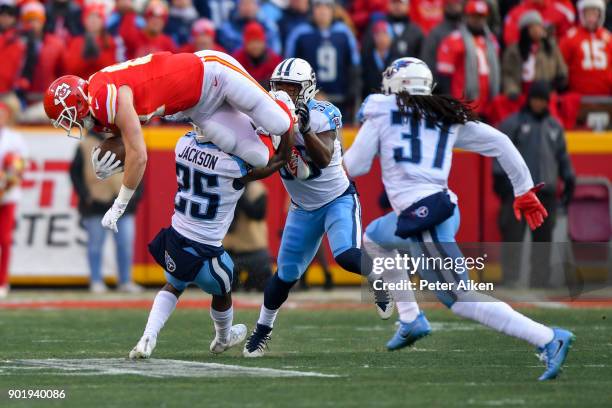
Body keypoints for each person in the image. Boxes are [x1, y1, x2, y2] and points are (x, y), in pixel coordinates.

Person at [344, 57, 574, 381]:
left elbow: (355, 166)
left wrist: (326, 169)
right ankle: (411, 319)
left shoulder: (382, 110)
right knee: (373, 240)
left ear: (395, 86)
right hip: (437, 209)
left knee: (461, 299)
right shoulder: (443, 116)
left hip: (425, 218)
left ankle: (549, 338)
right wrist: (522, 189)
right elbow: (500, 143)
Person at [43, 49, 294, 234]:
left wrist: (119, 204)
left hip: (212, 72)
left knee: (281, 123)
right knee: (259, 157)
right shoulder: (98, 113)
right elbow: (128, 144)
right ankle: (257, 121)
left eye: (67, 118)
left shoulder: (105, 96)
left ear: (77, 103)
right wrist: (113, 159)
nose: (68, 125)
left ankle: (281, 100)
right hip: (198, 107)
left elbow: (139, 155)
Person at [243, 59, 384, 357]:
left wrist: (302, 129)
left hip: (337, 199)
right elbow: (271, 160)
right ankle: (262, 331)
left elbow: (321, 159)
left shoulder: (323, 113)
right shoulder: (265, 114)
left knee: (345, 255)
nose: (283, 93)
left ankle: (379, 278)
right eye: (279, 87)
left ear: (306, 89)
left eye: (290, 88)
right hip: (302, 208)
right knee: (284, 277)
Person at [130, 111, 292, 359]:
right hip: (207, 250)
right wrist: (284, 129)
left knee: (173, 285)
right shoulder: (233, 164)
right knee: (222, 291)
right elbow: (276, 160)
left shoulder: (182, 143)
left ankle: (147, 337)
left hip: (176, 237)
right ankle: (223, 338)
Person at [494, 81, 575, 288]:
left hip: (545, 191)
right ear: (530, 99)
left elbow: (562, 157)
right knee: (512, 235)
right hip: (518, 192)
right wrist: (500, 180)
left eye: (543, 100)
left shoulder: (554, 126)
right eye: (536, 99)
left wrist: (568, 178)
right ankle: (510, 279)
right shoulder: (513, 123)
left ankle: (540, 281)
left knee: (544, 239)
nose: (539, 103)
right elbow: (499, 153)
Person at [69, 131, 144, 294]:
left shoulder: (126, 139)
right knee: (95, 246)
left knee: (125, 245)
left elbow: (139, 166)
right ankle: (96, 280)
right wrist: (86, 195)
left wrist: (136, 195)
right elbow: (75, 173)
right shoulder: (85, 144)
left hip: (121, 203)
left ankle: (125, 280)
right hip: (96, 204)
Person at [285, 0, 360, 118]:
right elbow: (290, 67)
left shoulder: (344, 32)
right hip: (308, 102)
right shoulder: (300, 33)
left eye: (327, 7)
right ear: (312, 9)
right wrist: (308, 93)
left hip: (340, 100)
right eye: (318, 6)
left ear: (333, 10)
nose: (322, 11)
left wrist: (352, 94)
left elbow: (354, 66)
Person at [436, 0, 500, 117]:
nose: (477, 20)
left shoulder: (491, 41)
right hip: (462, 105)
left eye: (481, 17)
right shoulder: (454, 40)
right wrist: (450, 103)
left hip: (487, 107)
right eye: (474, 16)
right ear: (466, 16)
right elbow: (444, 77)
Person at [17, 1, 65, 123]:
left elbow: (63, 73)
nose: (33, 24)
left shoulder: (56, 44)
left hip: (48, 99)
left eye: (36, 20)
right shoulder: (17, 44)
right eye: (29, 20)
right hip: (23, 99)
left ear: (43, 21)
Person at [502, 10, 567, 100]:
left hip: (546, 94)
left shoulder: (550, 47)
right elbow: (508, 75)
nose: (537, 30)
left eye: (539, 26)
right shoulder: (514, 50)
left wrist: (557, 83)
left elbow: (561, 70)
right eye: (533, 27)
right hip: (522, 94)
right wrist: (512, 90)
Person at [224, 180, 273, 292]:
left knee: (264, 286)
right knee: (225, 288)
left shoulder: (257, 188)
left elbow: (258, 214)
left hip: (254, 250)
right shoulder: (223, 184)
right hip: (229, 251)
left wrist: (239, 193)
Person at [0, 102, 26, 298]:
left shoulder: (15, 138)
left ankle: (2, 281)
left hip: (7, 195)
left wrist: (7, 181)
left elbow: (19, 166)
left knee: (5, 239)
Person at [560, 0, 612, 96]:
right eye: (588, 13)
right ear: (582, 14)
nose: (591, 18)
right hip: (578, 97)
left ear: (600, 15)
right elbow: (561, 66)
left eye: (594, 13)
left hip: (606, 97)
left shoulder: (608, 38)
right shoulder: (570, 37)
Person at [64, 4, 124, 82]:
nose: (93, 20)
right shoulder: (76, 41)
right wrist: (85, 59)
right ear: (84, 21)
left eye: (97, 17)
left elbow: (111, 69)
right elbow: (71, 69)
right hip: (81, 86)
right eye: (90, 17)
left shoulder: (110, 41)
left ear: (103, 21)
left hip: (103, 85)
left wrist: (97, 56)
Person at [232, 21, 282, 89]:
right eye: (251, 42)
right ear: (245, 44)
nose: (255, 46)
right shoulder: (237, 60)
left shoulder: (275, 61)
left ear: (264, 42)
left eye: (258, 41)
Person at [420, 0, 463, 76]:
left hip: (463, 83)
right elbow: (428, 60)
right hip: (442, 81)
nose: (454, 7)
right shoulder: (436, 32)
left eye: (456, 4)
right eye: (450, 5)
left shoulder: (468, 30)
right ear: (445, 6)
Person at [503, 0, 575, 45]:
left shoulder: (561, 8)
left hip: (551, 59)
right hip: (526, 60)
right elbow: (511, 42)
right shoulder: (515, 14)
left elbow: (568, 38)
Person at [0, 0, 25, 112]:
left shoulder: (22, 39)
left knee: (15, 109)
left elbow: (27, 65)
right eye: (3, 14)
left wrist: (20, 83)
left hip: (9, 92)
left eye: (9, 14)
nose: (5, 18)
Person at [361, 20, 395, 97]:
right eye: (378, 34)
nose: (381, 38)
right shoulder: (367, 58)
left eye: (385, 34)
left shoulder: (396, 59)